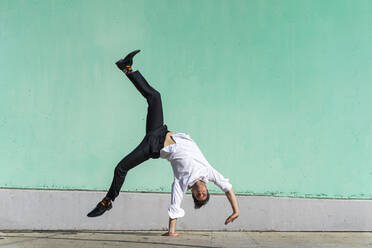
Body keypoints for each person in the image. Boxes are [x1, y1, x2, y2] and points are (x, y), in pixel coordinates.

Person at [87, 50, 240, 236]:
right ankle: (126, 67)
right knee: (155, 97)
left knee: (121, 168)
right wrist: (236, 210)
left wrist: (171, 232)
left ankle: (107, 202)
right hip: (160, 131)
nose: (201, 194)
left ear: (192, 194)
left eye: (198, 196)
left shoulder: (182, 183)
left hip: (153, 146)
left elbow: (175, 206)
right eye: (204, 194)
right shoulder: (209, 172)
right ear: (207, 189)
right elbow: (228, 188)